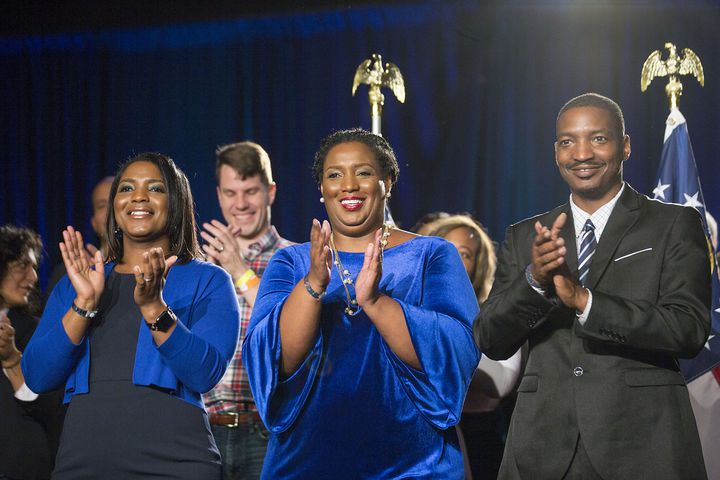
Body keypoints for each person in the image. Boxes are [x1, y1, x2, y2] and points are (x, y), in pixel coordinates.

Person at [475, 93, 710, 479]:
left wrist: (585, 301)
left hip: (644, 445)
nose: (582, 153)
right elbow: (490, 339)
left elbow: (687, 330)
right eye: (568, 142)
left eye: (598, 138)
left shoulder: (673, 224)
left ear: (626, 146)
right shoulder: (524, 236)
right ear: (556, 152)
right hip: (542, 448)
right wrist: (533, 282)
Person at [242, 128, 480, 479]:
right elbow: (276, 362)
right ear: (322, 190)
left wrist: (375, 301)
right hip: (307, 464)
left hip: (414, 466)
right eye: (334, 175)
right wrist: (313, 284)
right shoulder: (290, 263)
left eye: (364, 172)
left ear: (388, 181)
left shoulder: (431, 255)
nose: (349, 185)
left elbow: (454, 353)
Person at [22, 153, 240, 479]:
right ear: (114, 206)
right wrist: (83, 304)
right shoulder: (79, 283)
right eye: (126, 189)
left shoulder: (208, 280)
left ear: (176, 203)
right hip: (83, 464)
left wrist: (154, 308)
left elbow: (203, 373)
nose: (138, 196)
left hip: (176, 465)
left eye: (155, 188)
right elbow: (37, 376)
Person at [201, 141, 293, 480]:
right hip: (205, 429)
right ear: (219, 194)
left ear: (270, 192)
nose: (240, 204)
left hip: (268, 431)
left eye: (250, 191)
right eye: (230, 192)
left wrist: (238, 268)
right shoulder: (200, 261)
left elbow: (288, 329)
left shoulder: (294, 259)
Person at [426, 215, 522, 480]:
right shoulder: (405, 306)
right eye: (444, 246)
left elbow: (500, 382)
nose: (452, 257)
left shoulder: (494, 315)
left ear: (478, 265)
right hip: (424, 433)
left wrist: (436, 352)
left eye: (464, 253)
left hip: (480, 433)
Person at [1, 225, 65, 480]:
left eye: (34, 267)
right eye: (21, 266)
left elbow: (51, 408)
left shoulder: (39, 333)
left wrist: (12, 361)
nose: (33, 277)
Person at [46, 176, 114, 295]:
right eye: (102, 205)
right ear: (93, 222)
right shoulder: (66, 273)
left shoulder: (150, 268)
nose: (109, 211)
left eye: (114, 202)